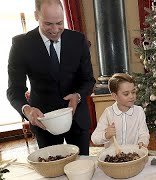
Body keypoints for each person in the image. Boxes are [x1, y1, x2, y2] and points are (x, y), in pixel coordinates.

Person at [7, 0, 95, 155]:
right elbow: (14, 90)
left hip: (77, 120)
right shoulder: (21, 45)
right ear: (36, 16)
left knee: (82, 170)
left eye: (59, 23)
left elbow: (88, 80)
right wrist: (27, 110)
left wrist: (78, 96)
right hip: (43, 124)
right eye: (48, 24)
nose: (55, 30)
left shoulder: (78, 40)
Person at [91, 73, 150, 148]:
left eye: (133, 92)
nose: (131, 96)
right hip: (113, 157)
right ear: (114, 96)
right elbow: (94, 138)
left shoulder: (139, 111)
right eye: (126, 94)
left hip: (133, 155)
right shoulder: (108, 113)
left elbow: (144, 134)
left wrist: (142, 142)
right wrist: (106, 135)